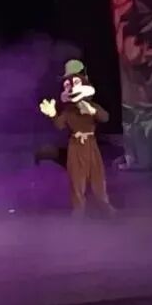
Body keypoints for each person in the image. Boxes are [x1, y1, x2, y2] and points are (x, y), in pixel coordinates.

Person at [39, 59, 115, 216]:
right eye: (67, 85)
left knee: (97, 177)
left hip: (91, 145)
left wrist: (93, 111)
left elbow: (105, 117)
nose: (71, 88)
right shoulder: (68, 112)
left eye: (75, 82)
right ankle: (78, 211)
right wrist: (53, 114)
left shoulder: (90, 106)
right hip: (75, 146)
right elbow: (60, 125)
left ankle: (105, 207)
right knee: (77, 179)